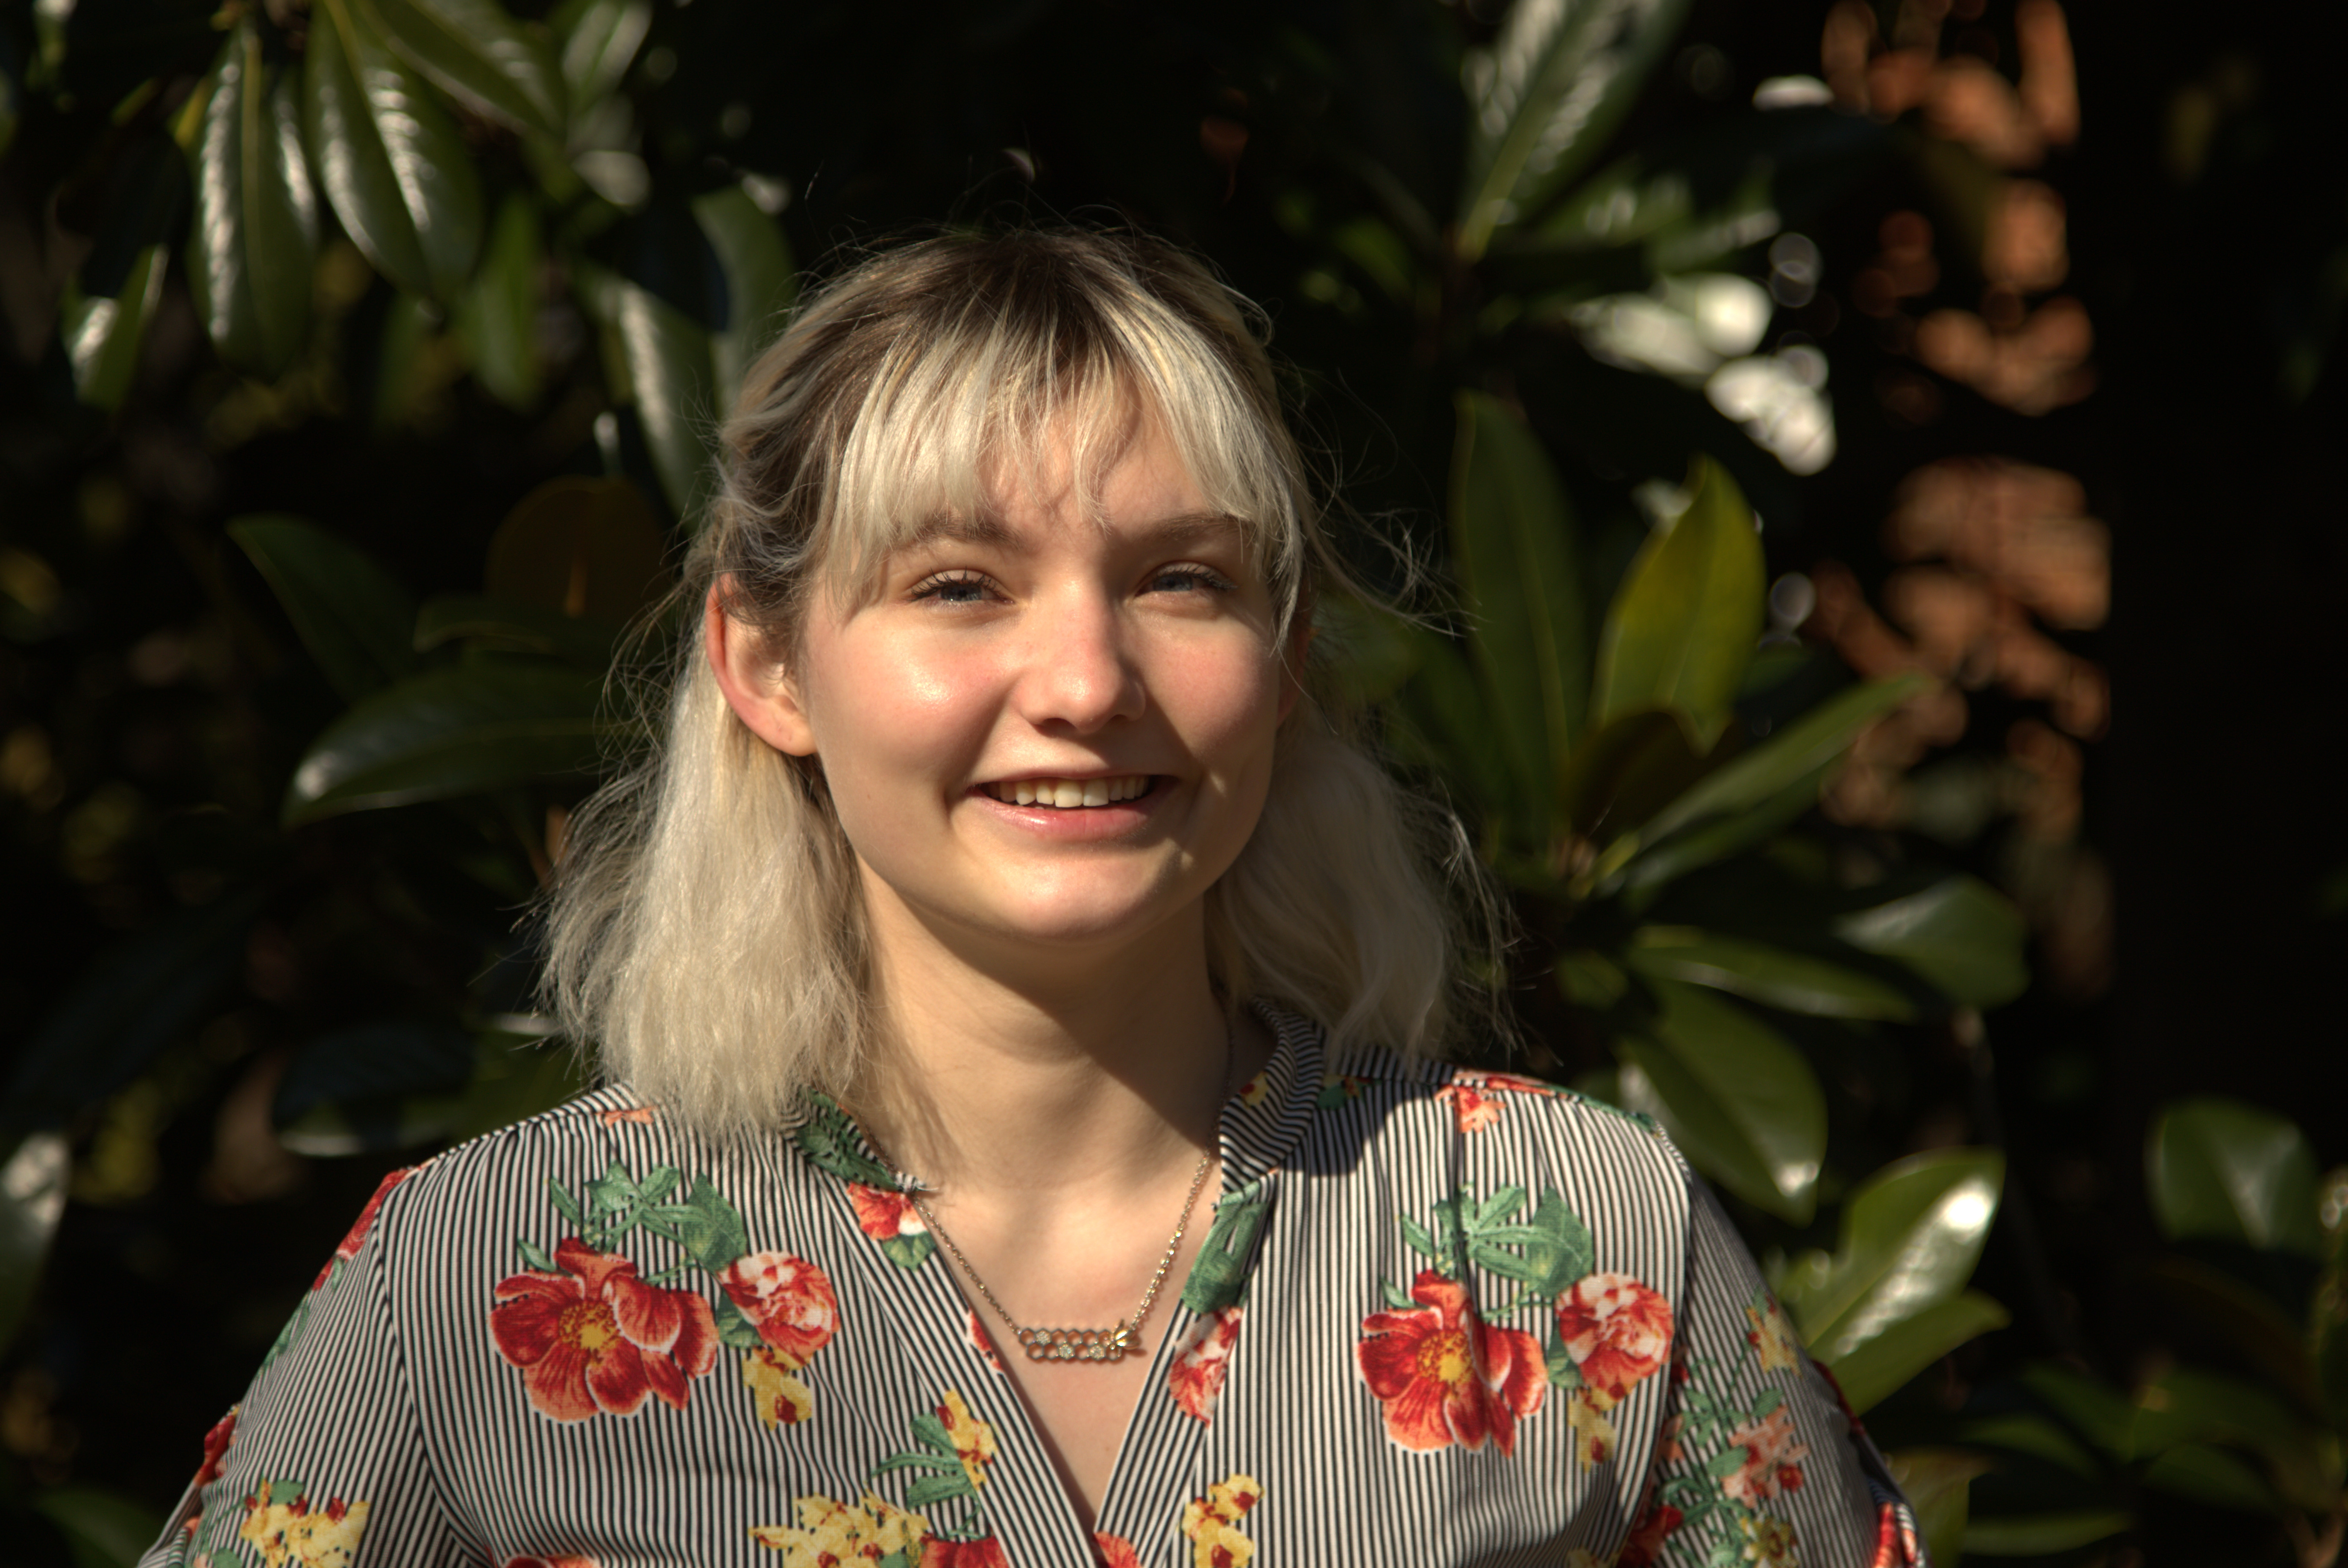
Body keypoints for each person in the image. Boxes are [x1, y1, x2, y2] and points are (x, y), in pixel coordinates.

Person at [140, 230, 1921, 1568]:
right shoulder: (488, 1283)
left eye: (1179, 580)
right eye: (961, 582)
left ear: (1288, 662)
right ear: (766, 664)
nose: (1084, 678)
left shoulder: (1574, 1243)